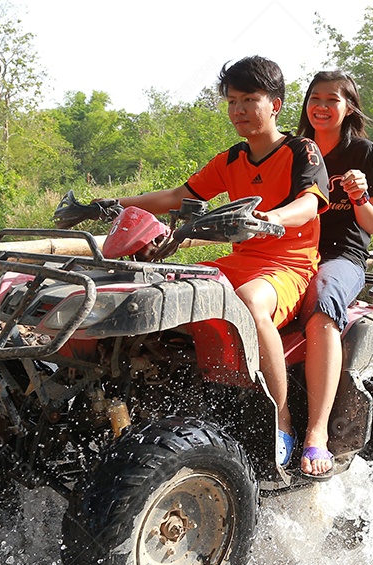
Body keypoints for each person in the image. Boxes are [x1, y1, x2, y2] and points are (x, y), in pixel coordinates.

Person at [109, 56, 329, 467]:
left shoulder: (302, 150)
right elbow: (178, 197)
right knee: (167, 288)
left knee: (249, 301)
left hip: (287, 265)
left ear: (275, 104)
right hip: (240, 259)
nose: (238, 111)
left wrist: (270, 220)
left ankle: (280, 417)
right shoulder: (231, 160)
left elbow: (307, 205)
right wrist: (111, 204)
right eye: (231, 101)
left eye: (249, 99)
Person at [294, 70, 373, 477]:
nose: (321, 106)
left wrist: (360, 195)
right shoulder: (295, 151)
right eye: (315, 97)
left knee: (322, 299)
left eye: (332, 99)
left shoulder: (362, 152)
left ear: (349, 107)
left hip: (341, 257)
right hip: (293, 252)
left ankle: (316, 434)